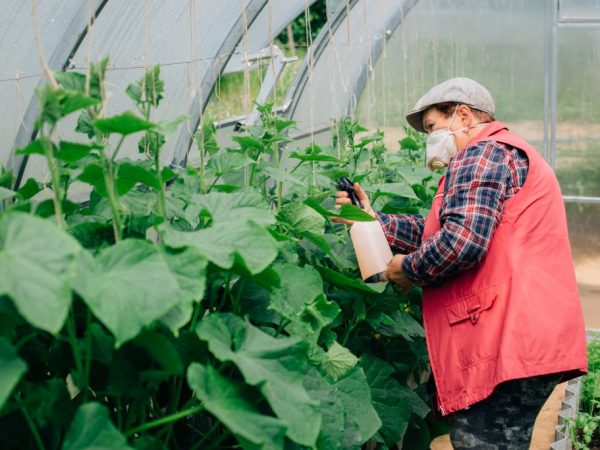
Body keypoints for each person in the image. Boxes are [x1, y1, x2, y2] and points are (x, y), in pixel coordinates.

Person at [334, 77, 588, 449]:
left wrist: (405, 269)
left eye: (433, 127)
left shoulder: (482, 152)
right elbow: (440, 231)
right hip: (525, 335)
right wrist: (375, 222)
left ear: (464, 116)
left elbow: (462, 242)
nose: (429, 139)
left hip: (509, 336)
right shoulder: (501, 152)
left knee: (482, 440)